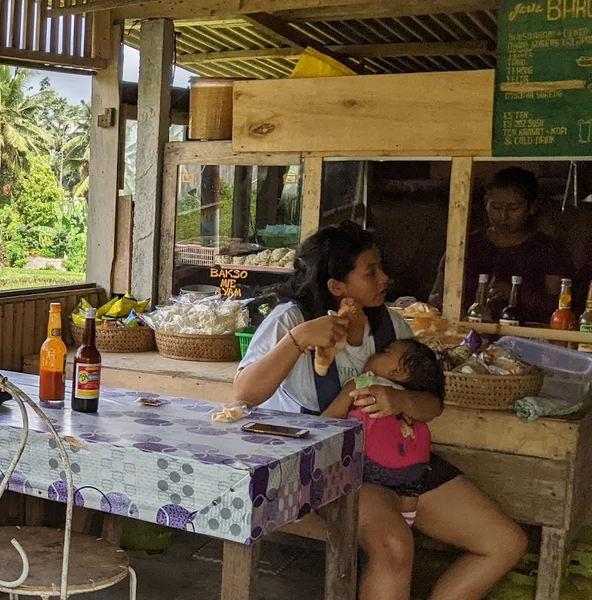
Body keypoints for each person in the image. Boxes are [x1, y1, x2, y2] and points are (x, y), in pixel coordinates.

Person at [234, 222, 526, 600]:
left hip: (400, 460)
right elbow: (244, 393)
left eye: (380, 267)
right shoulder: (291, 320)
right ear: (336, 287)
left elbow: (432, 402)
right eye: (370, 271)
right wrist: (299, 340)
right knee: (394, 548)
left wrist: (401, 401)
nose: (384, 278)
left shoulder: (391, 325)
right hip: (327, 465)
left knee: (504, 543)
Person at [323, 339, 444, 529]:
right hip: (413, 467)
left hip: (368, 465)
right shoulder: (408, 396)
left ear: (397, 372)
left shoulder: (362, 383)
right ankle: (407, 519)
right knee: (412, 485)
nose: (374, 353)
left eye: (385, 351)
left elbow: (329, 420)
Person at [429, 166, 573, 323]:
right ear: (486, 203)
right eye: (496, 207)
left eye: (513, 208)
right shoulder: (465, 245)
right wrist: (440, 304)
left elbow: (559, 305)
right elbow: (437, 293)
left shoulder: (549, 249)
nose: (503, 216)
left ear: (532, 207)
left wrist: (514, 293)